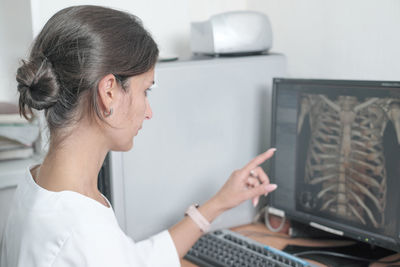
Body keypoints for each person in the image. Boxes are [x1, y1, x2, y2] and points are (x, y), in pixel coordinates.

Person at [0, 5, 277, 267]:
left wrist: (219, 203)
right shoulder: (84, 230)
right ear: (108, 92)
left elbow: (130, 260)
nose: (148, 112)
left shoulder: (38, 184)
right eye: (145, 90)